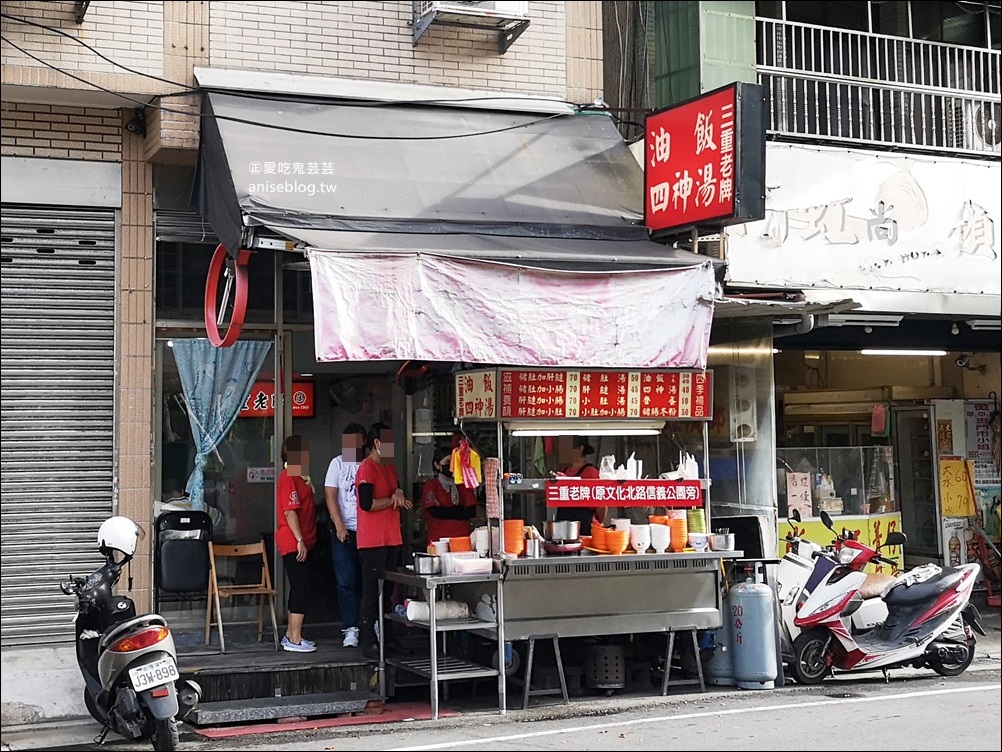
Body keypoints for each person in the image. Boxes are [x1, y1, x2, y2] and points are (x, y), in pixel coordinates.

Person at [355, 422, 413, 660]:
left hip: (392, 537)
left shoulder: (390, 468)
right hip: (372, 540)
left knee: (389, 591)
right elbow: (366, 504)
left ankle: (388, 638)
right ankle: (368, 638)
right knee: (371, 591)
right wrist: (392, 500)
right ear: (377, 443)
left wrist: (397, 495)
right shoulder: (366, 468)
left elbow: (397, 491)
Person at [324, 422, 367, 649]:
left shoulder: (372, 462)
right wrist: (339, 525)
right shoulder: (337, 463)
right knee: (346, 580)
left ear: (363, 441)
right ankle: (351, 627)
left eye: (354, 439)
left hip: (369, 531)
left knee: (369, 579)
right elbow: (330, 495)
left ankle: (372, 624)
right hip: (345, 530)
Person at [275, 434, 318, 653]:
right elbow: (290, 511)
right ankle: (294, 637)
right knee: (302, 587)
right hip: (293, 541)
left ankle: (293, 634)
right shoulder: (288, 476)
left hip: (303, 541)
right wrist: (300, 540)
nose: (308, 455)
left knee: (302, 587)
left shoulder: (299, 476)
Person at [422, 444, 479, 546]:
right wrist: (460, 509)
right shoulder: (431, 484)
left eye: (454, 463)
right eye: (447, 463)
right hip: (438, 540)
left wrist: (444, 509)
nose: (451, 467)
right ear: (437, 465)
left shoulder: (464, 483)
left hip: (462, 539)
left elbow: (471, 511)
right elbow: (434, 512)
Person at [554, 437, 606, 536]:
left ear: (580, 449)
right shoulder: (564, 470)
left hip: (585, 528)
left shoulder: (590, 472)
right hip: (564, 527)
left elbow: (601, 506)